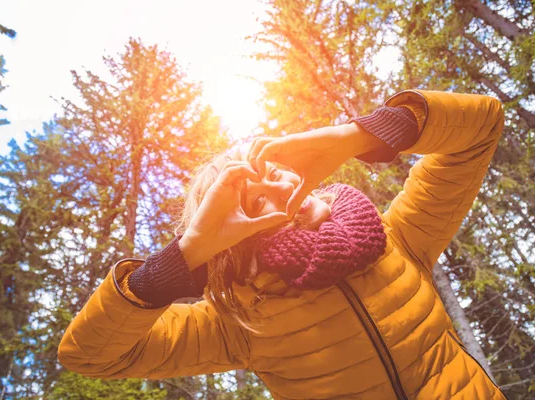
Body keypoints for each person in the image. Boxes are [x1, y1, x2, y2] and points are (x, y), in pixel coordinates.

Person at [58, 90, 507, 399]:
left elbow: (481, 125)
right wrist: (188, 254)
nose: (282, 191)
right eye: (253, 199)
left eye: (275, 173)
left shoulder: (399, 240)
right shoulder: (239, 321)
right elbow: (90, 355)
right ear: (231, 230)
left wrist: (355, 136)